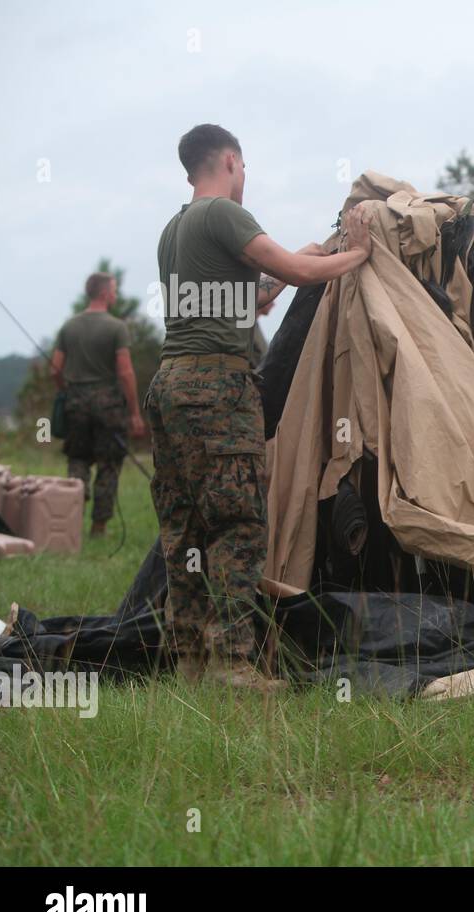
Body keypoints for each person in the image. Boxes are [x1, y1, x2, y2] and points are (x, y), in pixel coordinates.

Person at [150, 123, 372, 688]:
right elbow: (295, 275)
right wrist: (358, 254)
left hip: (171, 385)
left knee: (186, 528)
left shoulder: (175, 229)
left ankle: (191, 660)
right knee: (238, 524)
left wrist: (316, 251)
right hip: (217, 389)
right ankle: (233, 662)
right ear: (229, 160)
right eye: (244, 168)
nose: (245, 178)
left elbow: (252, 297)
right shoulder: (223, 215)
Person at [49, 272, 146, 537]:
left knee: (78, 460)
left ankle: (70, 523)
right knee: (108, 464)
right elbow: (125, 373)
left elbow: (55, 369)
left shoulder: (69, 326)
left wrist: (66, 392)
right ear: (104, 293)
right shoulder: (116, 327)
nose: (115, 294)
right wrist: (135, 412)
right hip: (109, 406)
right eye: (114, 290)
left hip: (75, 403)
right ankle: (98, 528)